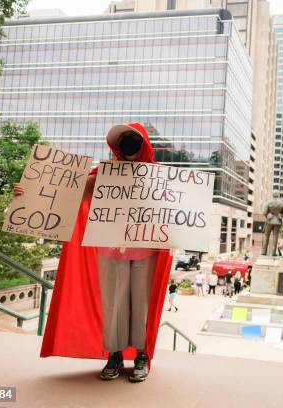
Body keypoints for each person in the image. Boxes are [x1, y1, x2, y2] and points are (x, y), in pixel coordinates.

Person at [22, 123, 172, 383]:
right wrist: (29, 195)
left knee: (141, 305)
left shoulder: (159, 176)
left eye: (133, 140)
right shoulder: (103, 174)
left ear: (144, 144)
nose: (128, 145)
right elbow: (69, 194)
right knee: (113, 304)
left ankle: (141, 356)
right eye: (123, 140)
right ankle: (114, 354)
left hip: (146, 251)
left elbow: (178, 209)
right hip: (111, 249)